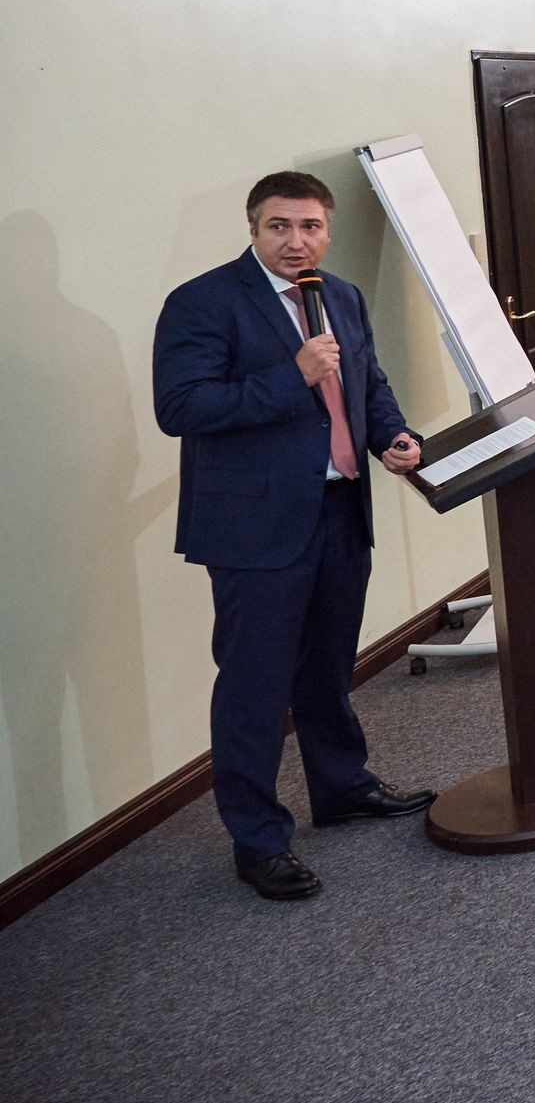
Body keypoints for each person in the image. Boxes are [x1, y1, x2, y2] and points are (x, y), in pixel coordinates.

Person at [150, 172, 433, 902]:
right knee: (254, 685)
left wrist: (393, 436)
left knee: (330, 664)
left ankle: (341, 787)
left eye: (309, 226)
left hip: (339, 509)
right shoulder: (204, 301)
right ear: (252, 228)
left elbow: (368, 380)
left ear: (327, 230)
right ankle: (258, 839)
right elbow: (180, 406)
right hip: (255, 527)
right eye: (279, 226)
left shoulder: (339, 294)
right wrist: (292, 375)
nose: (295, 240)